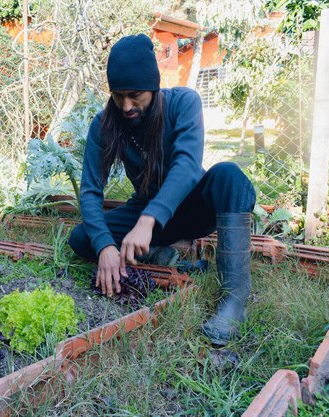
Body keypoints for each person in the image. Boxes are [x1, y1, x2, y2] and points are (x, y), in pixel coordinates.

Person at [68, 34, 256, 346]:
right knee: (82, 238)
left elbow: (187, 166)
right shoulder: (104, 123)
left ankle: (234, 299)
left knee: (229, 176)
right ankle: (156, 253)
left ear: (153, 87)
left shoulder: (184, 102)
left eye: (135, 94)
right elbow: (90, 191)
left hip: (191, 208)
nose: (126, 105)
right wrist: (105, 247)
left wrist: (148, 219)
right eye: (117, 96)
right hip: (146, 211)